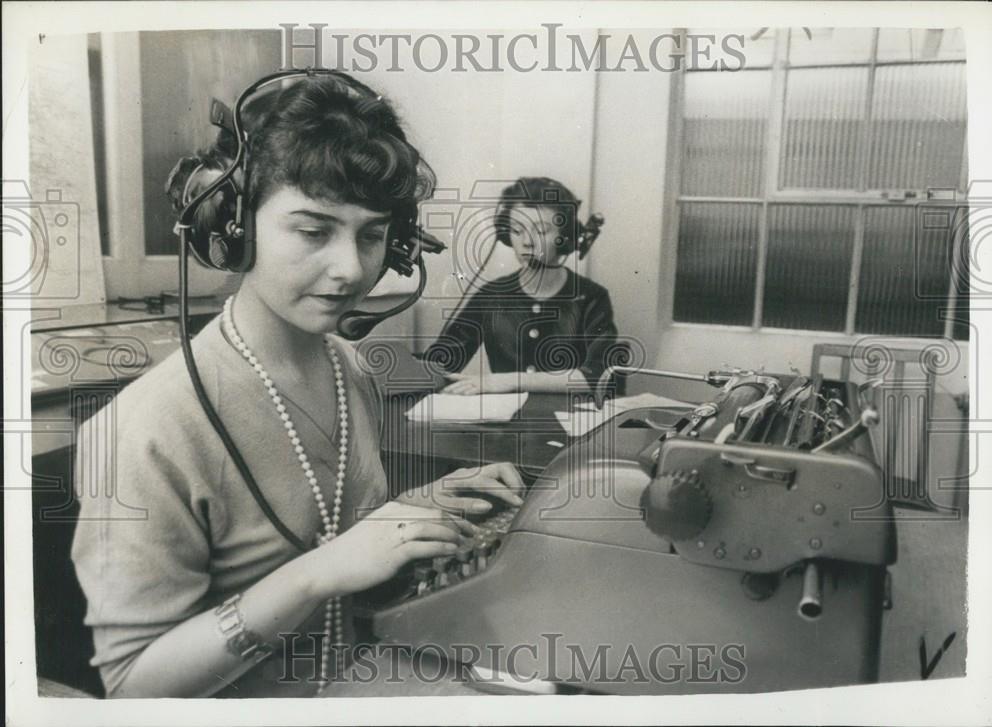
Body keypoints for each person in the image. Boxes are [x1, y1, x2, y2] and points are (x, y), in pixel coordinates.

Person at [70, 73, 523, 699]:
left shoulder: (348, 367)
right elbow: (134, 691)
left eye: (371, 235)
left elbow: (337, 533)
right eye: (313, 231)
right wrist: (314, 576)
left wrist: (419, 510)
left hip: (357, 680)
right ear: (233, 227)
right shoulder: (144, 431)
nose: (350, 269)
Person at [430, 177, 620, 396]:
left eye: (541, 231)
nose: (526, 241)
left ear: (565, 237)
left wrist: (511, 381)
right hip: (504, 425)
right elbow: (442, 361)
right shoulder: (491, 295)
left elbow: (600, 376)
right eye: (517, 230)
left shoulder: (591, 297)